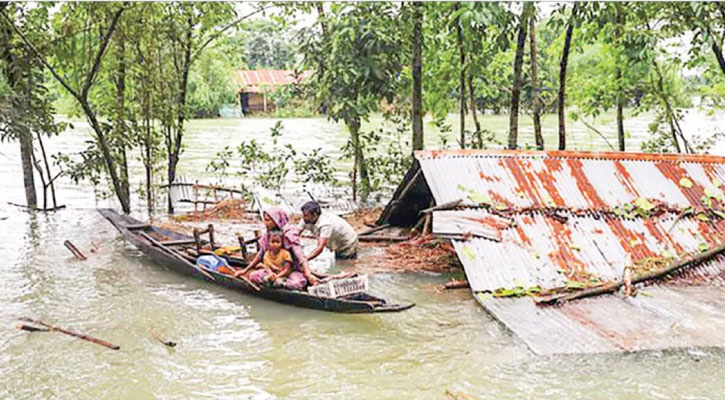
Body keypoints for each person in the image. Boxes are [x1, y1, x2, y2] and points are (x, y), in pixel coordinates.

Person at [235, 207, 319, 289]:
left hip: (292, 271)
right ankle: (276, 281)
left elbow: (300, 256)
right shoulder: (268, 235)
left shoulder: (289, 234)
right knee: (253, 276)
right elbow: (260, 255)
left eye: (268, 220)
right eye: (265, 219)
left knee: (296, 282)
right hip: (273, 271)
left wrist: (308, 274)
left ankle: (280, 283)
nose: (265, 223)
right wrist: (245, 270)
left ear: (277, 220)